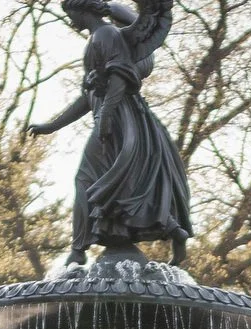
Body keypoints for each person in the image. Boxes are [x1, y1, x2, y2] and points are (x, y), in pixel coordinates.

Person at [26, 0, 193, 267]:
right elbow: (89, 96)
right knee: (125, 183)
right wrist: (52, 125)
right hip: (113, 118)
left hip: (119, 119)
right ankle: (173, 229)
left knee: (86, 178)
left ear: (83, 10)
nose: (71, 21)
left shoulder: (106, 34)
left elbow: (119, 76)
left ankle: (78, 250)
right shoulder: (97, 39)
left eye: (71, 15)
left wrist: (105, 116)